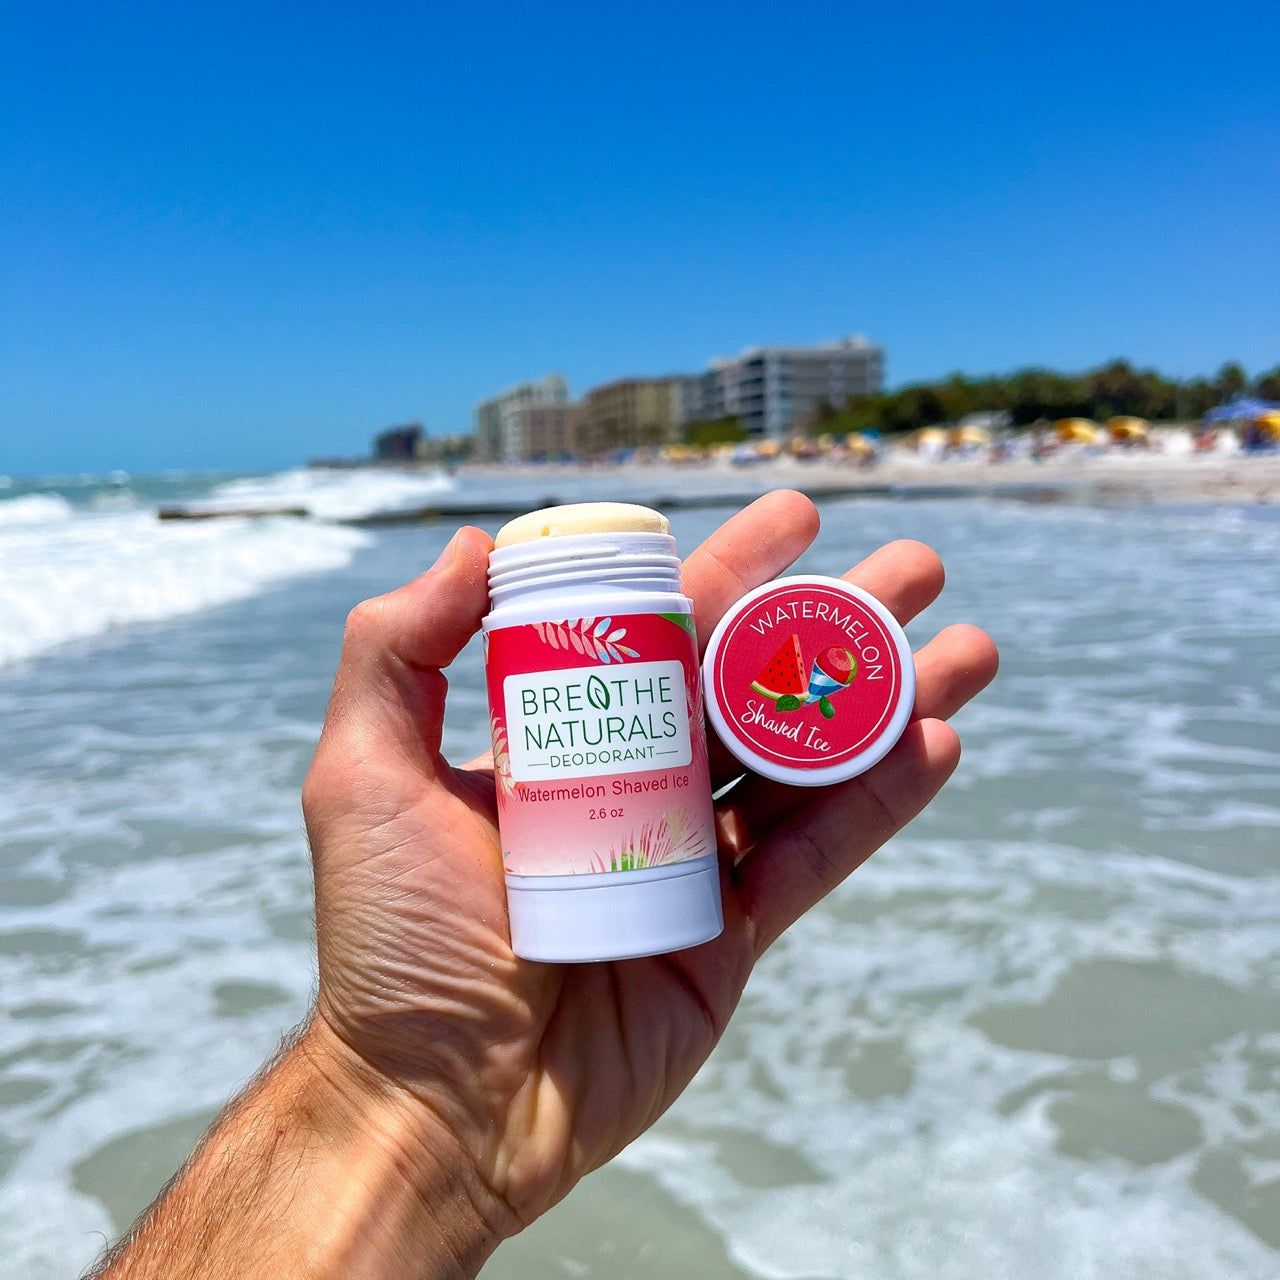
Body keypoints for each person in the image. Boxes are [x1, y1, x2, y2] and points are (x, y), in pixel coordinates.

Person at [87, 491, 997, 1279]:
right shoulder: (537, 632)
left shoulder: (641, 629)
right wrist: (398, 1094)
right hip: (556, 932)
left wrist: (387, 1109)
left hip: (659, 886)